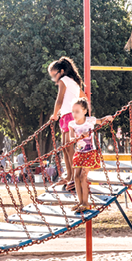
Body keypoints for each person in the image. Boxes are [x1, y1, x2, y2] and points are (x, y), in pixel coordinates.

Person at [67, 98, 114, 210]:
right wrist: (79, 137)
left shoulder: (90, 120)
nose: (74, 114)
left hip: (90, 152)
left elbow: (101, 121)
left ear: (84, 111)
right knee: (76, 177)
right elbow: (71, 138)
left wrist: (108, 118)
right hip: (79, 153)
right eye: (73, 111)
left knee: (83, 176)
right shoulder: (72, 124)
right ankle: (80, 201)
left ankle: (86, 203)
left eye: (77, 111)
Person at [48, 57, 83, 188]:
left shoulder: (64, 80)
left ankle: (74, 176)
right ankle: (69, 175)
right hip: (66, 116)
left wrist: (54, 114)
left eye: (54, 76)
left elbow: (59, 100)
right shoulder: (74, 82)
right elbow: (83, 96)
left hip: (68, 115)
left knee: (69, 148)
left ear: (61, 71)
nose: (54, 79)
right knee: (65, 147)